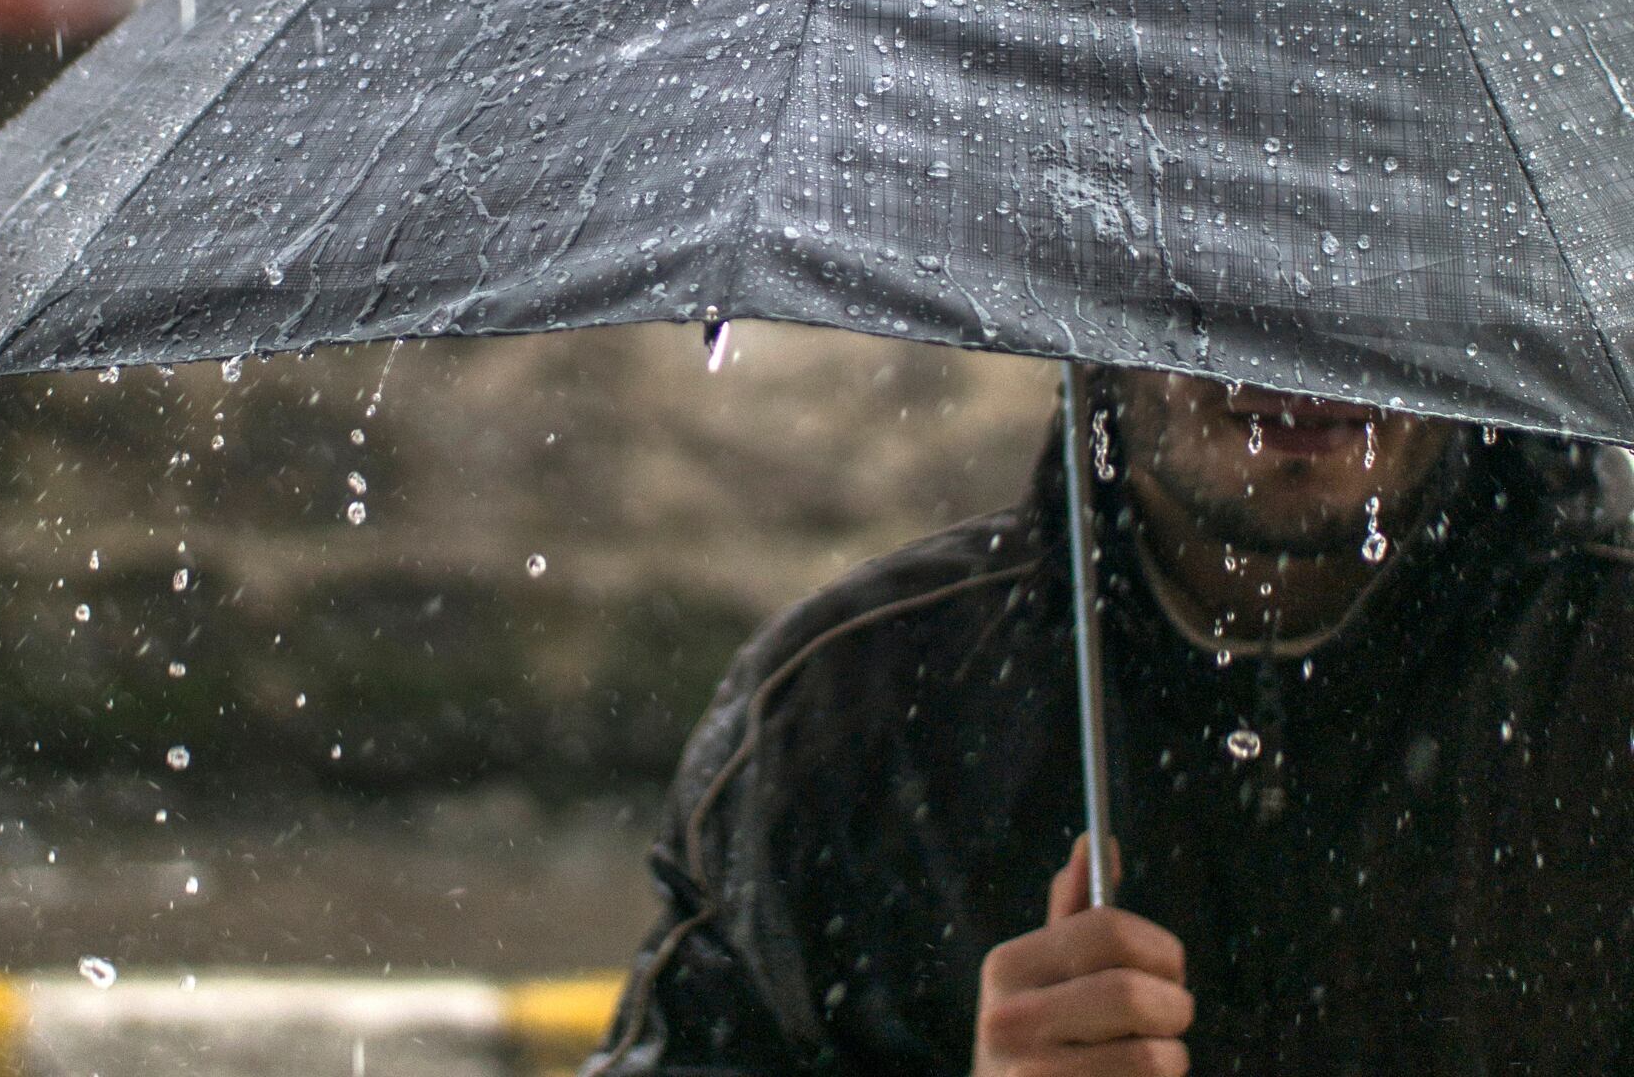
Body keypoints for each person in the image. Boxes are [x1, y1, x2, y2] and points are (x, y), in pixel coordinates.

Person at [581, 368, 1634, 1076]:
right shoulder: (845, 713)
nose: (1305, 349)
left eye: (1376, 250)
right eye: (1222, 262)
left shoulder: (1609, 674)